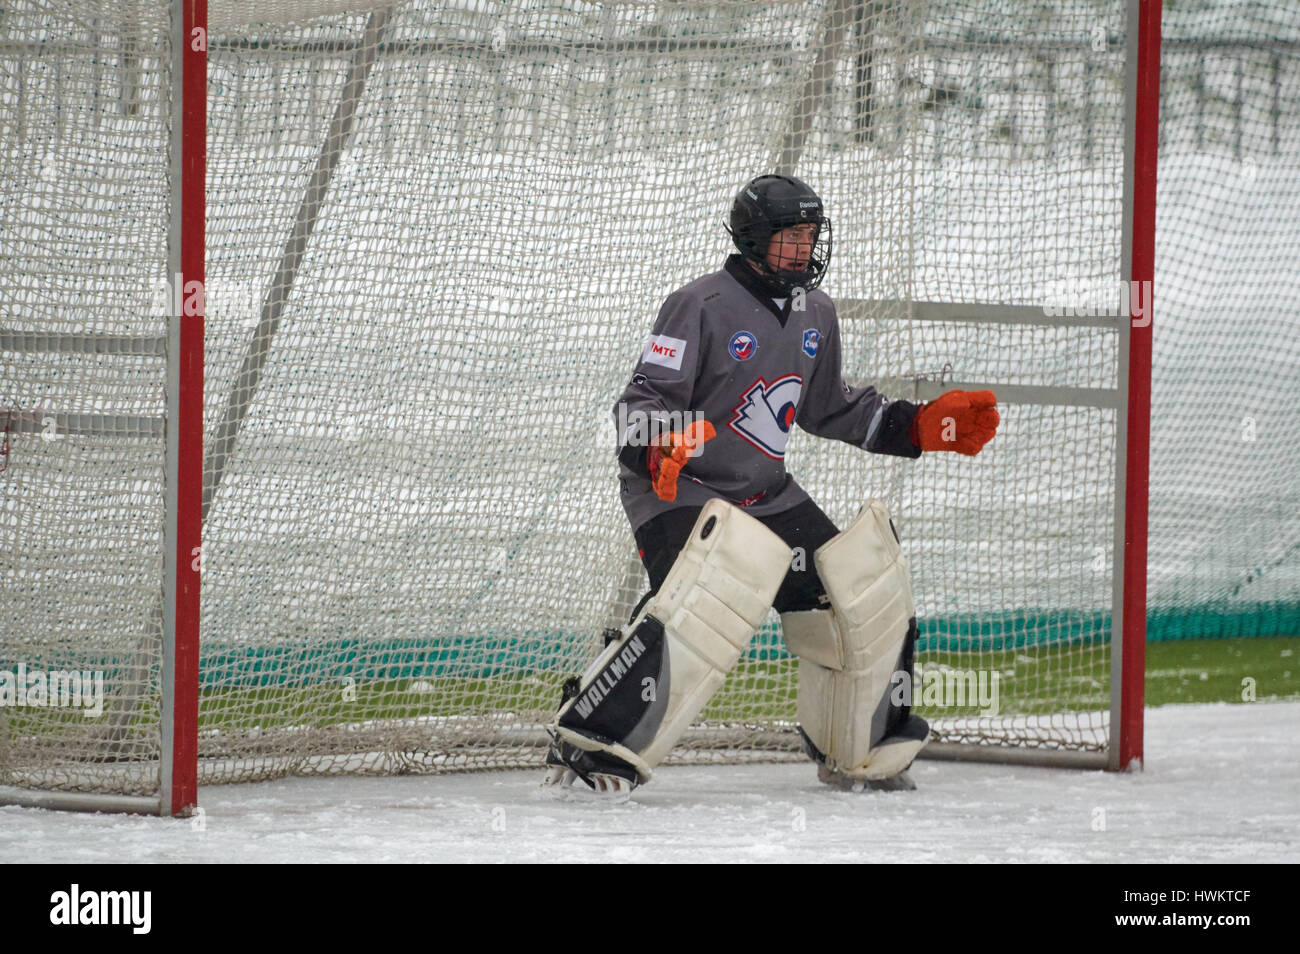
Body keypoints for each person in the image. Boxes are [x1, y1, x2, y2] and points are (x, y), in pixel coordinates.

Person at [542, 174, 999, 800]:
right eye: (791, 235)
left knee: (853, 595)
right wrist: (659, 443)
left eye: (811, 234)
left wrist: (916, 425)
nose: (804, 248)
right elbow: (642, 401)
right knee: (697, 606)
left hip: (766, 493)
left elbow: (830, 408)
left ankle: (858, 748)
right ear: (754, 238)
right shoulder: (698, 304)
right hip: (682, 490)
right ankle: (589, 744)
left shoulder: (818, 312)